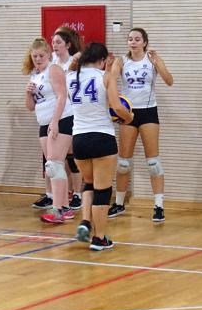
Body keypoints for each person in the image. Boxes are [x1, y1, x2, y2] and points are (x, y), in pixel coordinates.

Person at [69, 42, 133, 251]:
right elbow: (116, 106)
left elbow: (72, 66)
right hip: (101, 136)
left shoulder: (71, 78)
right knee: (103, 190)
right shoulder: (106, 77)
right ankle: (100, 238)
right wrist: (129, 117)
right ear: (102, 59)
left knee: (88, 183)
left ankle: (86, 222)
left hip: (78, 138)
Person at [110, 28, 174, 222]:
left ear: (145, 42)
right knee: (123, 163)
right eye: (130, 39)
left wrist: (158, 62)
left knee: (153, 163)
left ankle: (159, 206)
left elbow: (169, 81)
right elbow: (110, 80)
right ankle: (119, 203)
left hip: (148, 112)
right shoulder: (122, 61)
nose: (133, 42)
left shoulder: (151, 59)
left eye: (137, 39)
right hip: (127, 113)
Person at [23, 37, 75, 223]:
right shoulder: (35, 75)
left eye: (41, 55)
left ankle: (57, 209)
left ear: (48, 54)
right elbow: (30, 107)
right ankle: (66, 208)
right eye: (35, 56)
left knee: (54, 165)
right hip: (43, 122)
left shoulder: (53, 69)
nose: (38, 59)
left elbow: (62, 97)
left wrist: (55, 121)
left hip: (61, 119)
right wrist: (28, 93)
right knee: (53, 166)